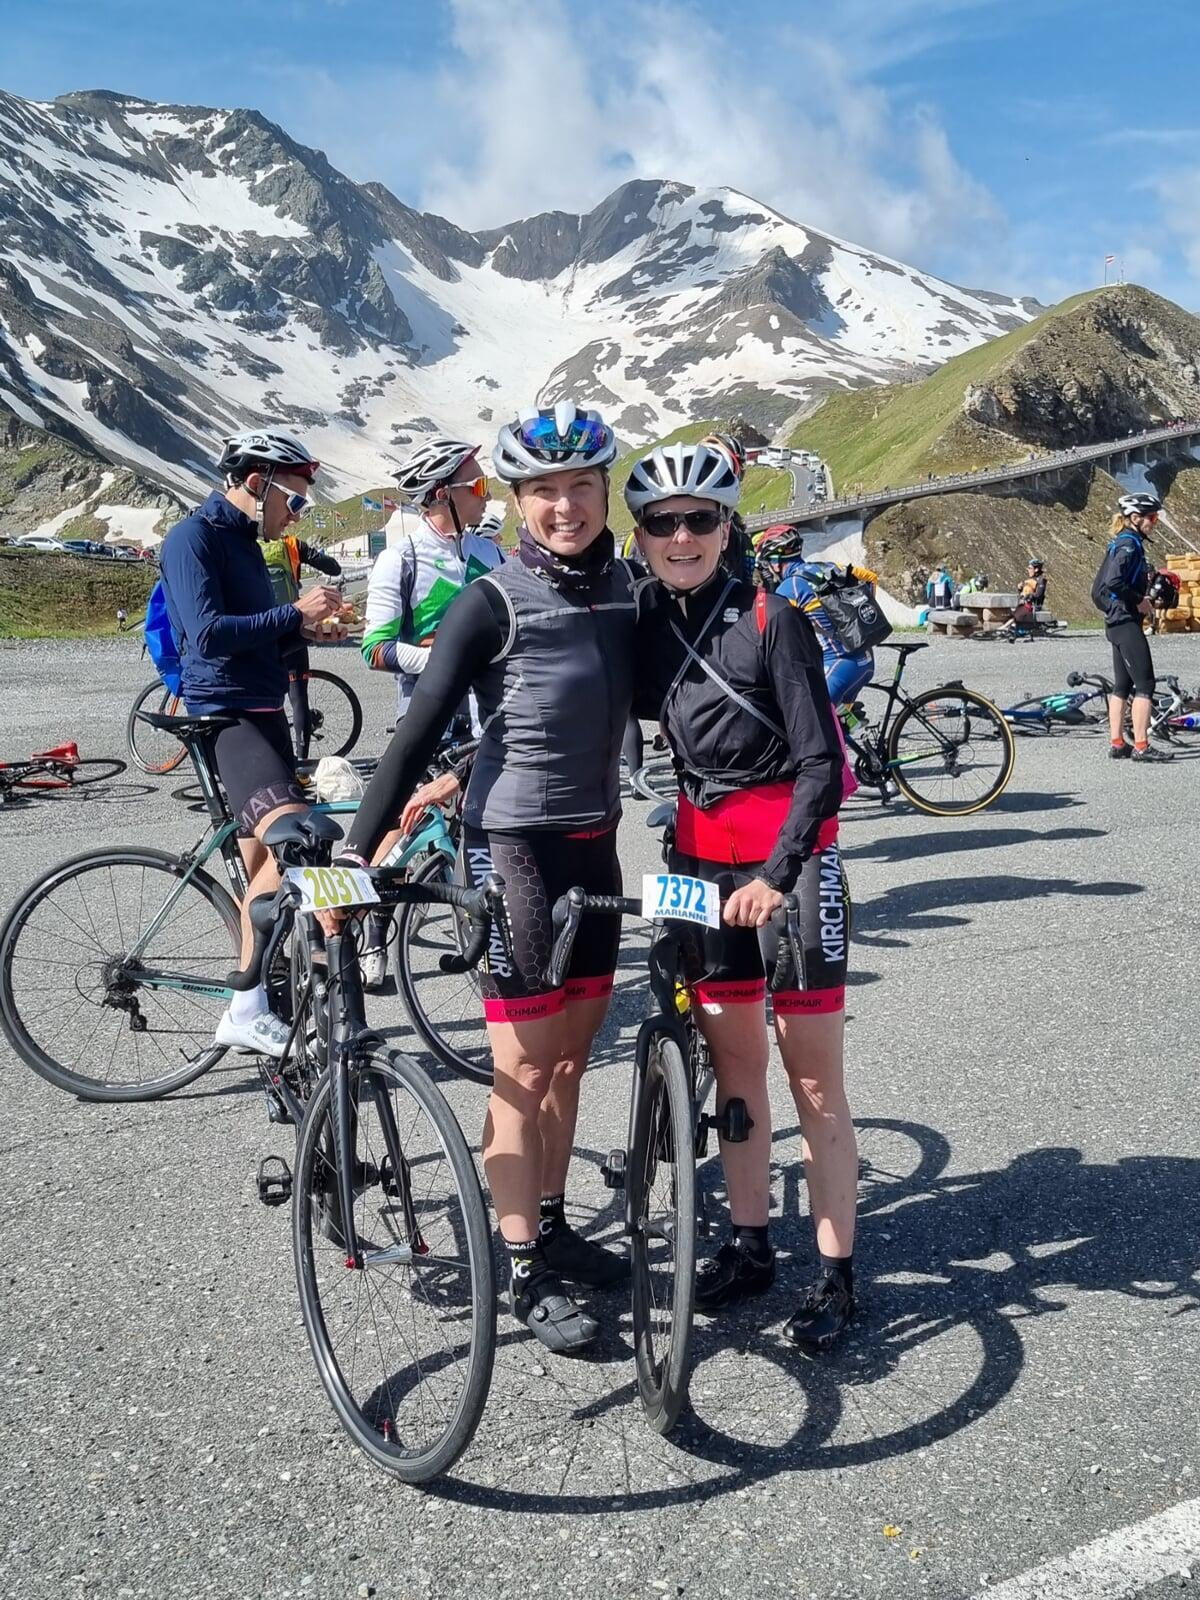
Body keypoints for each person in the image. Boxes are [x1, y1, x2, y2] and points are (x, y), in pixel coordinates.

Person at [338, 403, 635, 1356]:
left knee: (573, 1059)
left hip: (597, 841)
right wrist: (356, 848)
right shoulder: (490, 600)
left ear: (603, 494)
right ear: (514, 500)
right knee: (521, 1066)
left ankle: (549, 1224)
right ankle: (517, 1265)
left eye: (580, 487)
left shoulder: (629, 590)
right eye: (543, 491)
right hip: (514, 853)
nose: (564, 507)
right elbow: (416, 726)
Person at [625, 441, 856, 1350]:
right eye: (661, 522)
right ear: (641, 535)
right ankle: (751, 1242)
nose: (682, 536)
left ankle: (837, 1277)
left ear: (728, 526)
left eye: (700, 519)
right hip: (693, 864)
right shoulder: (644, 619)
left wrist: (777, 873)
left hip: (787, 870)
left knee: (813, 1080)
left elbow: (822, 767)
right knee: (734, 1069)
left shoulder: (772, 620)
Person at [158, 428, 347, 1055]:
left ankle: (253, 1003)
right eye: (293, 501)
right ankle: (261, 994)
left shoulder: (248, 546)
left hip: (263, 710)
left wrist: (308, 635)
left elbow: (257, 637)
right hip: (225, 715)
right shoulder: (193, 539)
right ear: (256, 482)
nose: (296, 516)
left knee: (265, 866)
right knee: (302, 839)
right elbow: (208, 634)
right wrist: (295, 613)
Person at [358, 438, 504, 989]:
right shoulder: (401, 559)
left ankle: (493, 942)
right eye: (478, 487)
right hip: (429, 719)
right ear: (443, 494)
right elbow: (374, 647)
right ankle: (373, 925)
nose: (486, 496)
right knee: (402, 830)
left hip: (487, 721)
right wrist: (445, 657)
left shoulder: (490, 554)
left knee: (486, 836)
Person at [755, 526, 881, 710]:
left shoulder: (789, 588)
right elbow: (870, 578)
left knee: (809, 720)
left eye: (769, 562)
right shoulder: (826, 567)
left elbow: (769, 632)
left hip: (838, 666)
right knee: (837, 725)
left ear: (775, 562)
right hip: (866, 658)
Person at [1092, 493, 1173, 762]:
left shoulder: (1123, 541)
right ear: (1135, 518)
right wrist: (1139, 600)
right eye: (1152, 517)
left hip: (1115, 620)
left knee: (1122, 685)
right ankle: (1141, 746)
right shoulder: (1129, 545)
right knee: (1145, 684)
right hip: (1126, 621)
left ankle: (1117, 743)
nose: (1155, 522)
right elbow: (1114, 581)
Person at [261, 533, 343, 759]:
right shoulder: (291, 544)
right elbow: (333, 568)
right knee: (298, 699)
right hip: (291, 626)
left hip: (259, 631)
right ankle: (302, 763)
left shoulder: (246, 544)